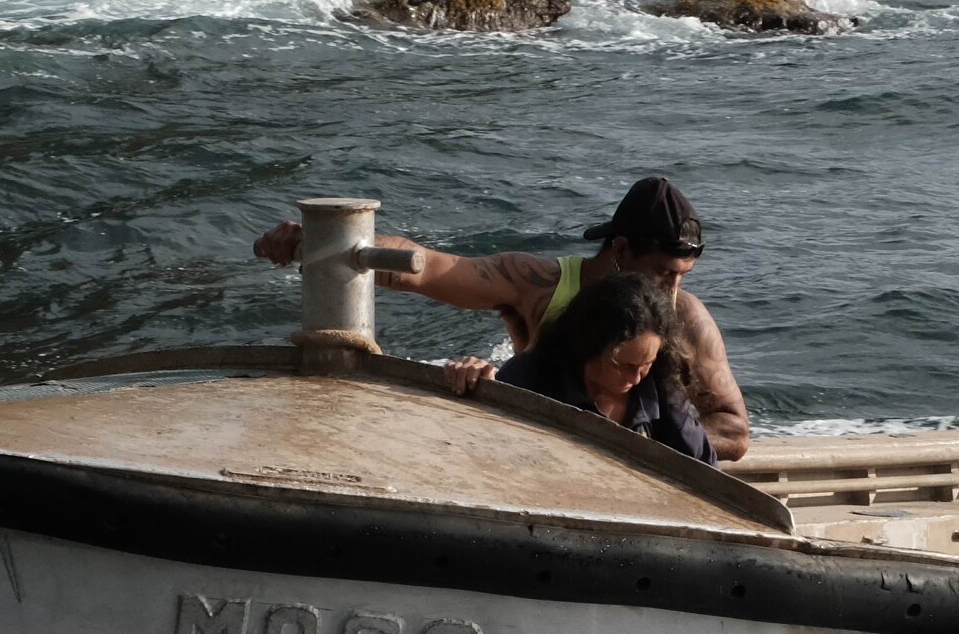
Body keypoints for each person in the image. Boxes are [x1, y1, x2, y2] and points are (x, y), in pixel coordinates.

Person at [255, 175, 752, 454]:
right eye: (663, 272)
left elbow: (733, 430)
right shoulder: (537, 285)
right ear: (620, 249)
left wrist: (632, 447)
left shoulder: (684, 316)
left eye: (682, 273)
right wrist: (327, 241)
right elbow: (431, 269)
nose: (674, 289)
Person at [449, 270, 715, 461]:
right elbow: (482, 447)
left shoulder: (661, 393)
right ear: (589, 345)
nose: (635, 377)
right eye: (622, 364)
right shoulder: (532, 375)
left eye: (646, 364)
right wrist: (476, 386)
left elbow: (707, 473)